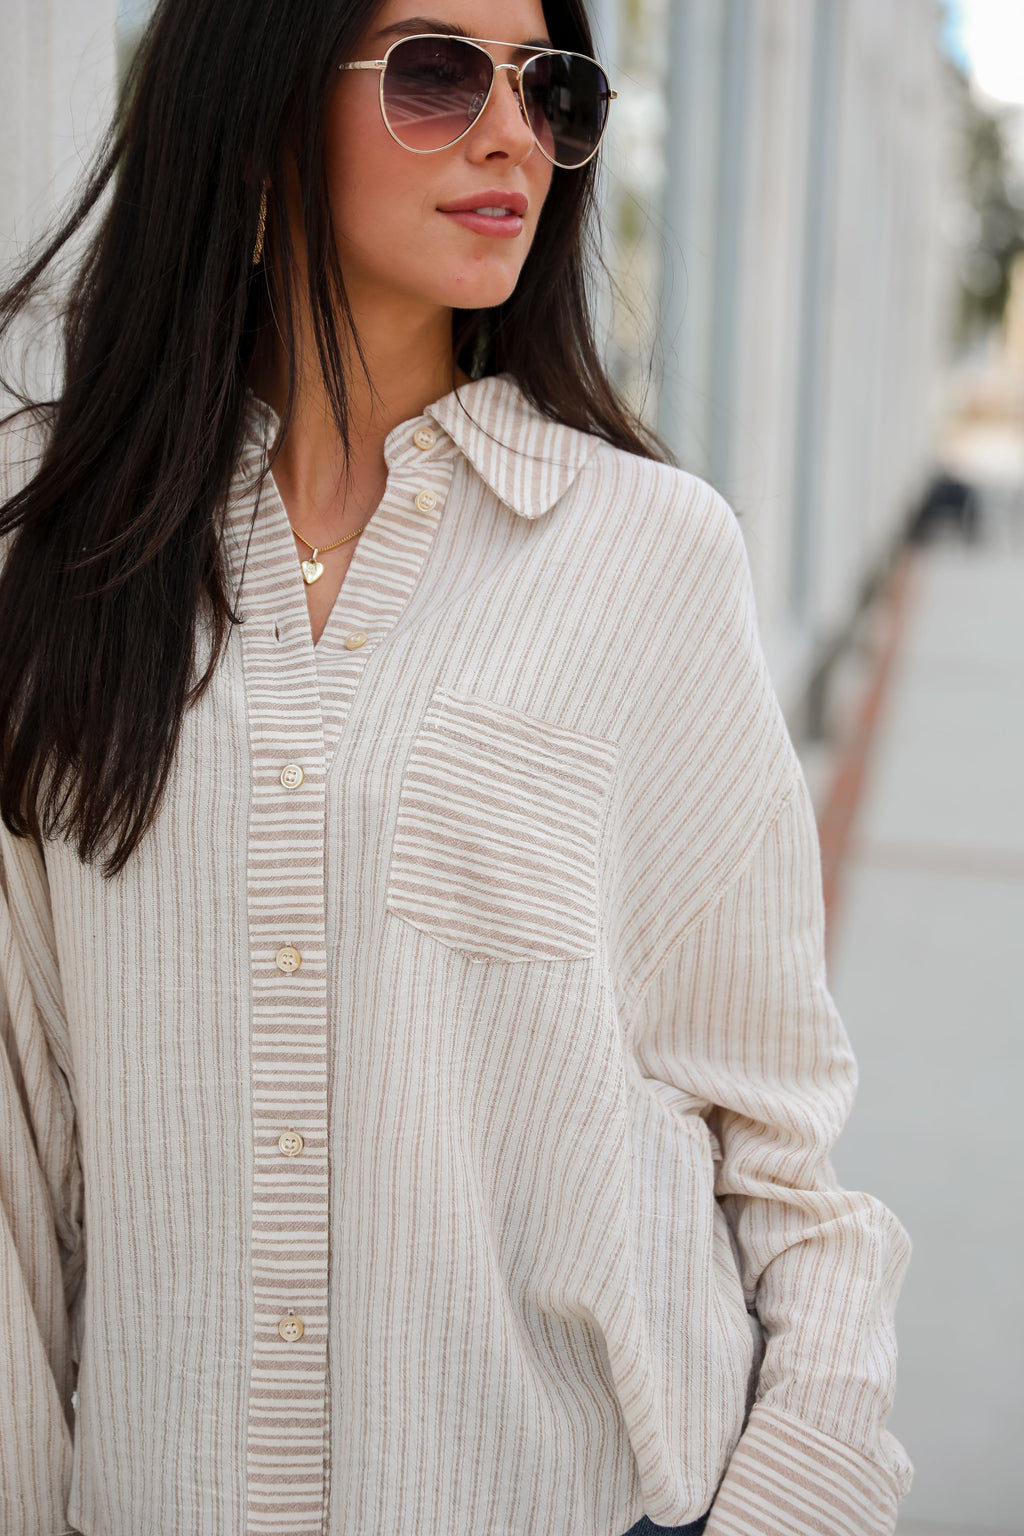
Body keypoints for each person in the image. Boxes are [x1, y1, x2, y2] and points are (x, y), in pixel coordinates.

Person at [0, 1, 912, 1533]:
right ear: (261, 110)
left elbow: (777, 1139)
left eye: (550, 86)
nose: (512, 134)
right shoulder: (66, 555)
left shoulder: (649, 559)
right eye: (436, 73)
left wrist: (797, 1497)